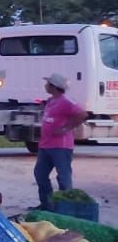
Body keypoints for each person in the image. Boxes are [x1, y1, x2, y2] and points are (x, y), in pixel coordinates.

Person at [34, 72, 88, 209]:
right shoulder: (51, 101)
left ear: (54, 86)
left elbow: (82, 114)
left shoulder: (66, 101)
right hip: (46, 145)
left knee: (63, 177)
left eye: (48, 84)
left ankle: (67, 207)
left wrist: (67, 128)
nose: (45, 86)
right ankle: (47, 204)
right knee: (40, 174)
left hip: (61, 146)